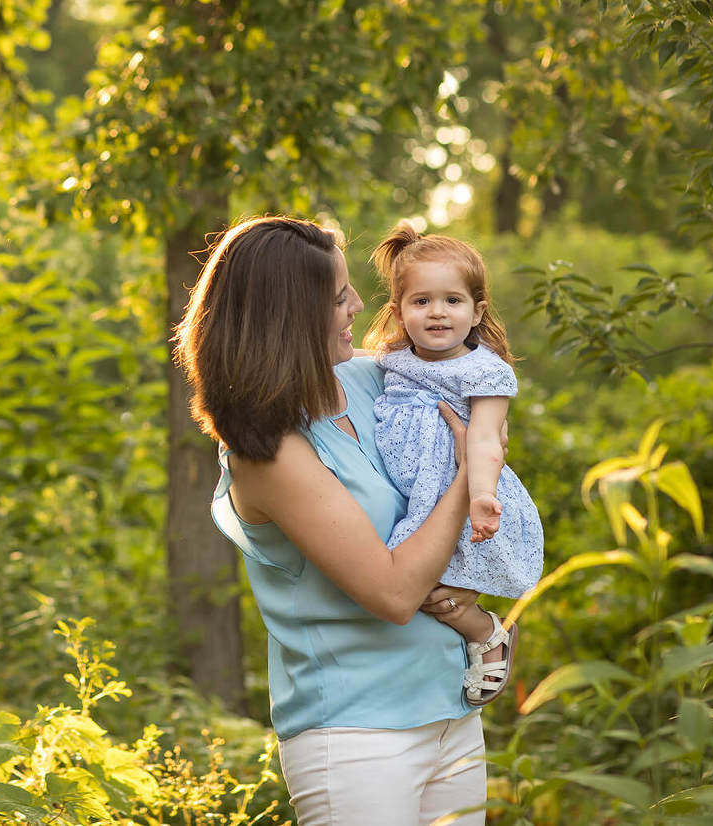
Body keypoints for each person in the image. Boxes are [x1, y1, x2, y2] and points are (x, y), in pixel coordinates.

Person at [174, 215, 496, 826]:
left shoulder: (375, 377)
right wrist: (466, 475)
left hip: (451, 710)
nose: (358, 305)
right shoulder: (267, 454)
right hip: (359, 738)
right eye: (338, 295)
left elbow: (480, 391)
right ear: (290, 316)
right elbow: (395, 592)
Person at [362, 223, 542, 707]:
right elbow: (347, 358)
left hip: (455, 493)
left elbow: (484, 438)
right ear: (398, 311)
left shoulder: (483, 371)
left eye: (452, 301)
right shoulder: (394, 358)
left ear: (477, 310)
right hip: (408, 491)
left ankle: (486, 634)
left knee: (424, 589)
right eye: (421, 302)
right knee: (396, 579)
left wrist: (482, 495)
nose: (437, 312)